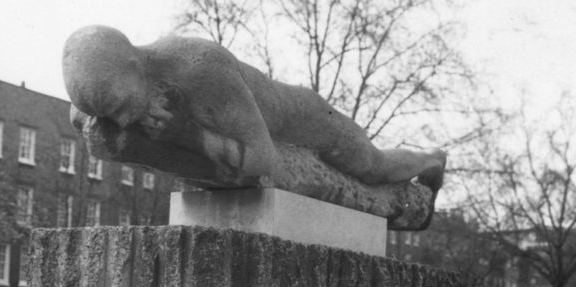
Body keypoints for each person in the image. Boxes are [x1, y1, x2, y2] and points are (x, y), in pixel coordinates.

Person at [63, 25, 446, 195]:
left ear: (134, 67)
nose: (123, 122)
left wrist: (186, 135)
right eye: (108, 116)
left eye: (121, 107)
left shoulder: (199, 69)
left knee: (372, 166)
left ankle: (430, 159)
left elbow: (262, 159)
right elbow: (84, 116)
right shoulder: (114, 90)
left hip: (309, 124)